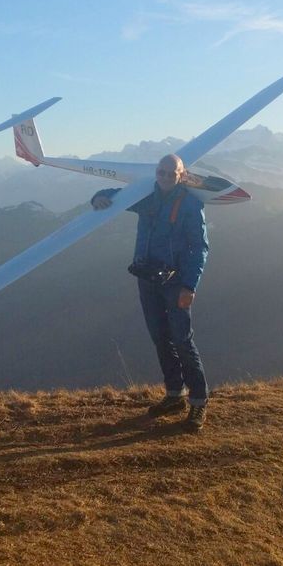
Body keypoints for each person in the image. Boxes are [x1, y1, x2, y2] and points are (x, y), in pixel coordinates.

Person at [91, 154, 210, 429]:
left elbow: (199, 248)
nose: (165, 177)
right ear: (156, 172)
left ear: (182, 175)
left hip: (176, 282)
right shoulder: (146, 196)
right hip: (147, 278)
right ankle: (174, 394)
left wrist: (189, 286)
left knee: (182, 340)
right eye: (161, 172)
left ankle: (198, 402)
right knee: (160, 338)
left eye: (171, 173)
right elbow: (115, 194)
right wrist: (98, 197)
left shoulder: (191, 204)